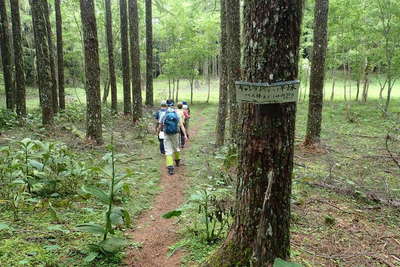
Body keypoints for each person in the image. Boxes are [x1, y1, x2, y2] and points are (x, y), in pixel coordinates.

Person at [158, 103, 188, 175]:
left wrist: (158, 131)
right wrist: (185, 135)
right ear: (174, 109)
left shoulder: (164, 115)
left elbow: (160, 125)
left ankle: (170, 168)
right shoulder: (177, 115)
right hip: (176, 134)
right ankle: (177, 161)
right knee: (176, 147)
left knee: (168, 150)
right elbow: (181, 126)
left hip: (166, 134)